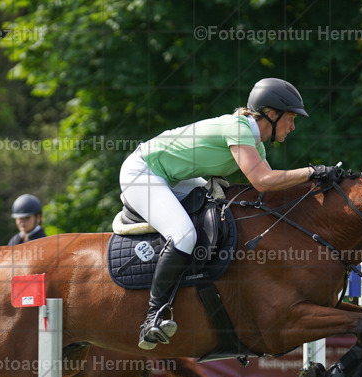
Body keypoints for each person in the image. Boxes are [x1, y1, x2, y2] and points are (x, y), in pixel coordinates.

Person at [120, 77, 345, 350]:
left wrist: (316, 184)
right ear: (271, 114)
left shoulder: (255, 143)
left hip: (174, 178)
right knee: (184, 236)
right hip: (143, 172)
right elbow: (263, 181)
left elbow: (269, 188)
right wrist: (312, 172)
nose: (293, 126)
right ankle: (153, 317)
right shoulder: (239, 128)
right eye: (290, 118)